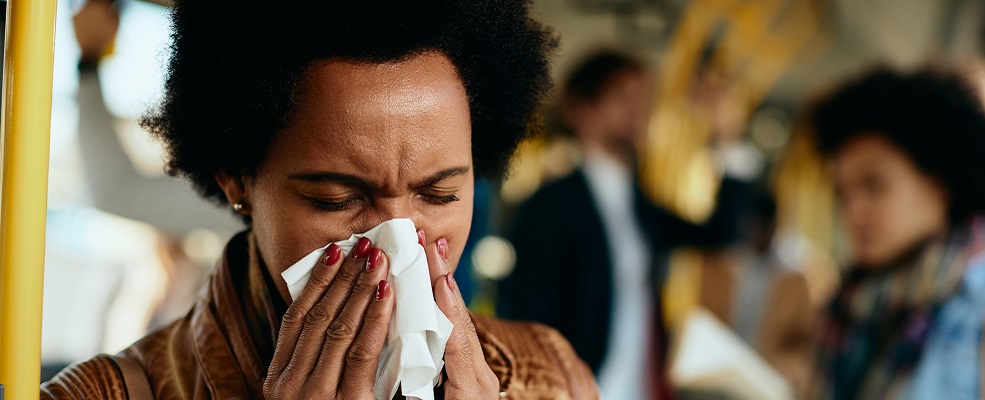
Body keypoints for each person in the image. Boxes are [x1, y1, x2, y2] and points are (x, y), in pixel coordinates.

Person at [41, 0, 599, 398]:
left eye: (440, 192)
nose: (397, 242)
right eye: (335, 200)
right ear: (237, 180)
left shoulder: (549, 375)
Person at [497, 49, 753, 400]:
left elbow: (722, 235)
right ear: (582, 110)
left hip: (642, 386)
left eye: (645, 98)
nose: (640, 110)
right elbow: (529, 313)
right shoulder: (549, 204)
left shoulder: (640, 205)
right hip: (577, 387)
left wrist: (726, 140)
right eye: (624, 97)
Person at [809, 67, 985, 400]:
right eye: (842, 193)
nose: (853, 211)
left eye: (873, 185)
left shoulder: (976, 305)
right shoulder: (851, 304)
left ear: (939, 184)